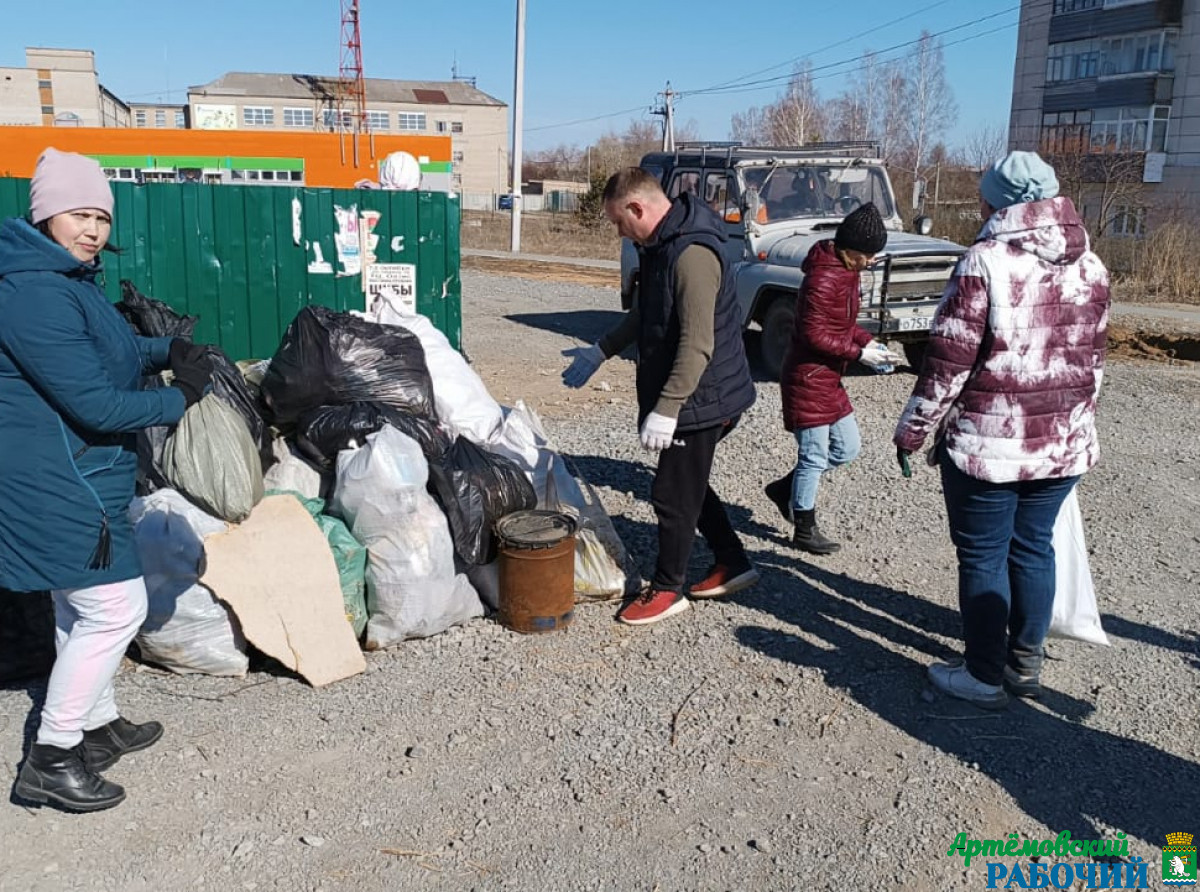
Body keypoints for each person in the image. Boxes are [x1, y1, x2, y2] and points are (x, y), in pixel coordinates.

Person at [0, 148, 213, 811]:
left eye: (99, 215)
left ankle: (97, 724)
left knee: (78, 603)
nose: (92, 229)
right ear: (46, 215)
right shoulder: (32, 293)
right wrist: (180, 400)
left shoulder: (67, 280)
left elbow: (105, 351)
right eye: (77, 214)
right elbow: (93, 402)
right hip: (59, 479)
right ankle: (53, 755)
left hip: (81, 470)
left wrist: (166, 351)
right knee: (116, 607)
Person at [892, 151, 1109, 709]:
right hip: (1062, 447)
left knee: (984, 558)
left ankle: (983, 676)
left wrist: (912, 431)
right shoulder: (1092, 265)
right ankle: (1023, 665)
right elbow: (1094, 366)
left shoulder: (984, 261)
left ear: (997, 203)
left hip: (990, 447)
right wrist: (1071, 426)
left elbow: (947, 364)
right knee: (1034, 548)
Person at [562, 167, 758, 626]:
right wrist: (601, 351)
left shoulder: (690, 253)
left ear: (638, 208)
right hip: (691, 392)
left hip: (703, 396)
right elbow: (649, 314)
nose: (619, 232)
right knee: (687, 483)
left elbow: (697, 343)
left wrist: (667, 409)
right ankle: (733, 561)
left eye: (617, 222)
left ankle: (669, 589)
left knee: (670, 494)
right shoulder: (661, 246)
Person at [763, 202, 900, 554]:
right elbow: (813, 335)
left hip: (828, 378)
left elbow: (843, 326)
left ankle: (785, 490)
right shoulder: (822, 279)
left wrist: (869, 341)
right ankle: (804, 528)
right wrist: (858, 354)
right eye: (868, 254)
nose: (871, 261)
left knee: (848, 447)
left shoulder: (847, 272)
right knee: (813, 456)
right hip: (807, 378)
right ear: (848, 249)